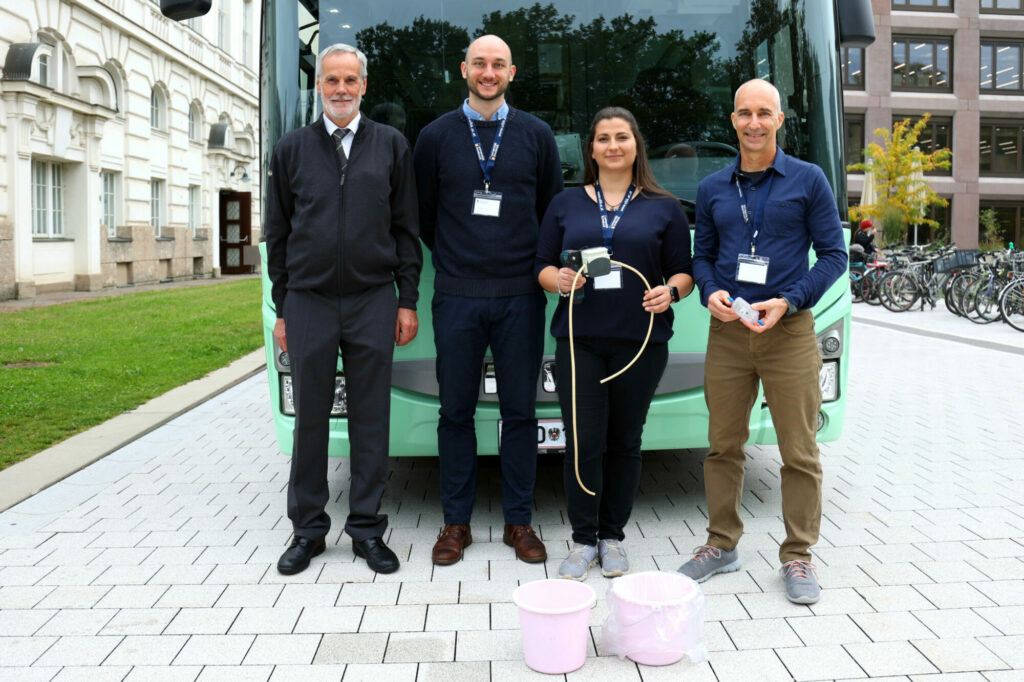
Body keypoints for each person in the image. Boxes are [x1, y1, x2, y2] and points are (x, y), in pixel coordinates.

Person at [678, 79, 847, 604]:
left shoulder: (808, 179)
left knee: (799, 450)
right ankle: (721, 544)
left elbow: (835, 256)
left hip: (788, 329)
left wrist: (789, 301)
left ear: (779, 119)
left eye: (764, 113)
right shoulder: (712, 188)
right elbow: (701, 255)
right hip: (728, 330)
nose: (754, 122)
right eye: (745, 113)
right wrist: (709, 292)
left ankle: (798, 555)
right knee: (722, 446)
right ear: (733, 120)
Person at [264, 43, 422, 576]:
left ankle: (366, 530)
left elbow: (406, 232)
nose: (340, 89)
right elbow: (277, 236)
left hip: (372, 299)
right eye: (331, 79)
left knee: (371, 418)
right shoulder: (290, 150)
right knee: (310, 418)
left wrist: (406, 300)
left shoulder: (392, 146)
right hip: (308, 303)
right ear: (319, 87)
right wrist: (282, 307)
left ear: (363, 86)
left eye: (350, 80)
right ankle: (307, 531)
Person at [413, 34, 564, 566]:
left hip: (521, 295)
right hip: (456, 294)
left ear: (512, 72)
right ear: (463, 70)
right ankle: (456, 523)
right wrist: (458, 256)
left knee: (520, 411)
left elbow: (550, 211)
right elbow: (424, 214)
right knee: (454, 411)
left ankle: (519, 522)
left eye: (498, 64)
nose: (488, 72)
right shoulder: (434, 137)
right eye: (480, 63)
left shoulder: (536, 135)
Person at [536, 107, 694, 581]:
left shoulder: (663, 206)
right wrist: (557, 280)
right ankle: (583, 540)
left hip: (641, 343)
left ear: (636, 145)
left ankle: (613, 537)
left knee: (625, 442)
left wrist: (671, 292)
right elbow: (541, 263)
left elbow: (684, 271)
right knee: (582, 442)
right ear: (591, 149)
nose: (612, 146)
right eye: (603, 138)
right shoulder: (565, 203)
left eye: (621, 137)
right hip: (578, 341)